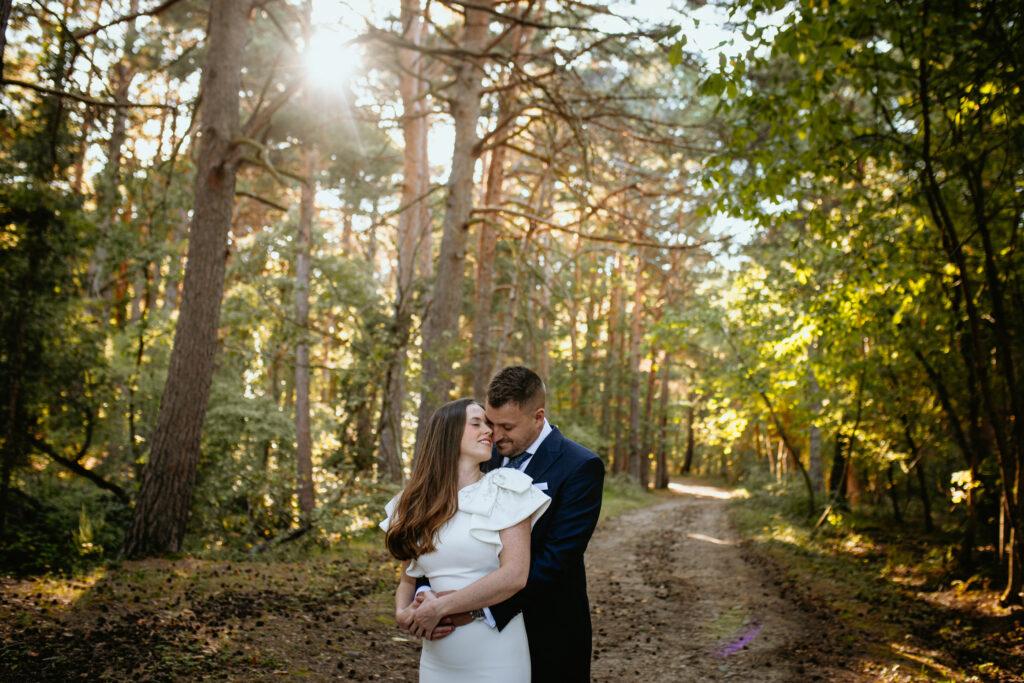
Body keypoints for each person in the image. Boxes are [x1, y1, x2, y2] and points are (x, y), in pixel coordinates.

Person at [413, 366, 605, 682]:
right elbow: (443, 532)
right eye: (490, 422)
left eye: (506, 426)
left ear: (538, 417)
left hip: (546, 624)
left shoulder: (580, 466)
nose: (495, 434)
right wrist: (427, 591)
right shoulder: (482, 453)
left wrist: (477, 610)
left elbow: (556, 559)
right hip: (461, 633)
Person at [381, 397, 551, 682]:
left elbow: (515, 575)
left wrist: (441, 607)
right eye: (477, 424)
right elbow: (408, 578)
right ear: (448, 434)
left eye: (488, 424)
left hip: (497, 655)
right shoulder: (412, 504)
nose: (489, 431)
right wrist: (402, 612)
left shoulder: (507, 489)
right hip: (436, 659)